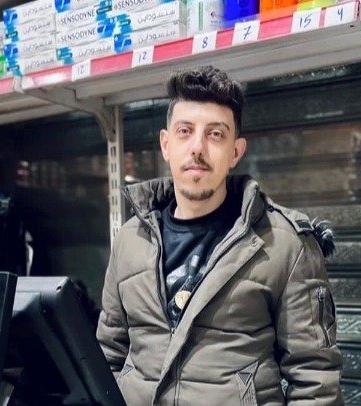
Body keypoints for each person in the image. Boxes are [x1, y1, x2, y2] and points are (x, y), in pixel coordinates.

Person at [96, 65, 343, 405]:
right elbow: (105, 358)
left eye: (215, 134)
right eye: (185, 131)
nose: (197, 147)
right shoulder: (130, 240)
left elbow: (316, 381)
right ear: (166, 144)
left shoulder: (284, 244)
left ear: (235, 152)